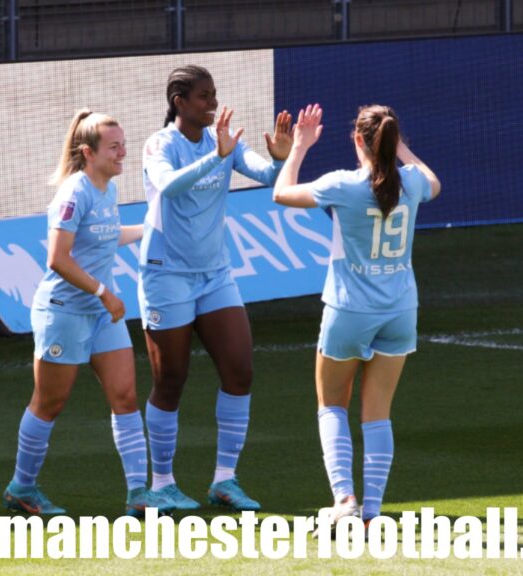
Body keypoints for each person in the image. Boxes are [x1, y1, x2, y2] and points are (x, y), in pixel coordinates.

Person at [272, 103, 441, 527]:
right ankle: (372, 511)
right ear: (392, 139)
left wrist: (299, 147)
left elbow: (281, 193)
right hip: (400, 310)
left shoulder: (343, 185)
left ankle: (344, 499)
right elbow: (434, 182)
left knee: (331, 404)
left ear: (358, 140)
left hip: (349, 309)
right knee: (378, 412)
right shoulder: (413, 183)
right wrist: (402, 151)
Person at [2, 110, 174, 517]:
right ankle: (20, 488)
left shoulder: (107, 190)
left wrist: (153, 229)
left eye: (123, 144)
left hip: (100, 314)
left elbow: (107, 236)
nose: (123, 153)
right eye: (114, 147)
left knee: (125, 397)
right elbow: (58, 258)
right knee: (49, 404)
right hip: (63, 312)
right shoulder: (73, 193)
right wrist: (103, 292)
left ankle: (138, 495)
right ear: (88, 152)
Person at [138, 65, 293, 512]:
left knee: (240, 370)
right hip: (166, 273)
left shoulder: (220, 139)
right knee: (171, 379)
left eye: (214, 95)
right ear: (179, 102)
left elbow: (267, 178)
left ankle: (225, 480)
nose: (212, 103)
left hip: (214, 273)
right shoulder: (160, 144)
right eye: (204, 96)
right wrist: (216, 156)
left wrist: (282, 157)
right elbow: (167, 186)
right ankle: (162, 483)